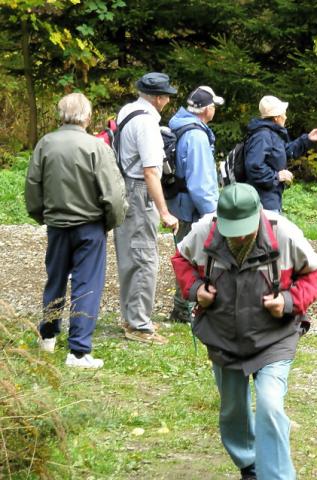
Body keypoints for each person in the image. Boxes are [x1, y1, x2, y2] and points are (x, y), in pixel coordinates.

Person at [171, 183, 317, 480]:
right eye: (233, 229)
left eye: (245, 228)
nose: (239, 236)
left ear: (258, 215)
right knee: (234, 412)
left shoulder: (283, 232)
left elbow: (314, 272)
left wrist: (289, 301)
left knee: (269, 406)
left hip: (274, 337)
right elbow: (181, 259)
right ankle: (249, 466)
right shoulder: (205, 229)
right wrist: (195, 290)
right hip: (222, 336)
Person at [25, 93, 127, 368]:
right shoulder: (96, 147)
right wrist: (110, 222)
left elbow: (33, 186)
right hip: (89, 227)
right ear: (88, 116)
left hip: (57, 225)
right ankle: (79, 351)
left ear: (61, 114)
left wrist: (41, 215)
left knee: (55, 278)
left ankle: (47, 334)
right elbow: (113, 194)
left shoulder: (45, 144)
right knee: (87, 285)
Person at [114, 72, 179, 344]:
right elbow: (151, 172)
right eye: (166, 96)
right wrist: (164, 211)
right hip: (139, 191)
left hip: (123, 188)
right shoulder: (147, 124)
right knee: (144, 257)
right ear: (158, 98)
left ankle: (131, 317)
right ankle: (139, 325)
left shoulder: (127, 111)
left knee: (130, 254)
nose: (167, 100)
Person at [166, 85, 224, 323]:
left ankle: (183, 307)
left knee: (185, 254)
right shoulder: (197, 136)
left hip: (178, 204)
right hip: (192, 209)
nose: (215, 111)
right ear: (207, 110)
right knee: (194, 257)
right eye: (214, 107)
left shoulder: (177, 124)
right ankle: (186, 308)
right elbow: (200, 182)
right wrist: (213, 213)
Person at [244, 95, 317, 212]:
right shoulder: (262, 136)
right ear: (277, 117)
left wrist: (308, 139)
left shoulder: (271, 133)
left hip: (270, 198)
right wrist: (277, 176)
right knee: (269, 230)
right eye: (284, 113)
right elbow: (254, 166)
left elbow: (286, 151)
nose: (286, 116)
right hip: (263, 202)